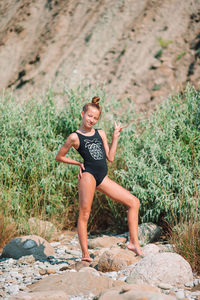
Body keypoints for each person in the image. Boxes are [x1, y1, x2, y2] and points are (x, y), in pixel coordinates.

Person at [56, 96, 144, 262]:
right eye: (89, 116)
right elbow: (59, 157)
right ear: (82, 114)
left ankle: (133, 243)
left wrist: (116, 136)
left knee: (134, 202)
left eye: (95, 118)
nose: (92, 120)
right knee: (85, 213)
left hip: (102, 177)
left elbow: (110, 157)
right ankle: (85, 254)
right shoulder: (74, 137)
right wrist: (77, 163)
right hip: (88, 175)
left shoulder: (100, 133)